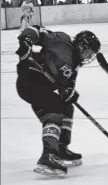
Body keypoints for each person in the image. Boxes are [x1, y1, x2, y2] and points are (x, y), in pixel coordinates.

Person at [15, 25, 101, 177]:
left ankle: (61, 149)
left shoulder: (74, 65)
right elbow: (35, 30)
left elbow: (67, 88)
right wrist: (26, 42)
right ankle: (47, 156)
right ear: (82, 46)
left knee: (67, 107)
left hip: (42, 87)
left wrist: (69, 93)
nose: (89, 56)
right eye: (89, 52)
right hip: (30, 80)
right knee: (53, 110)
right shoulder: (62, 40)